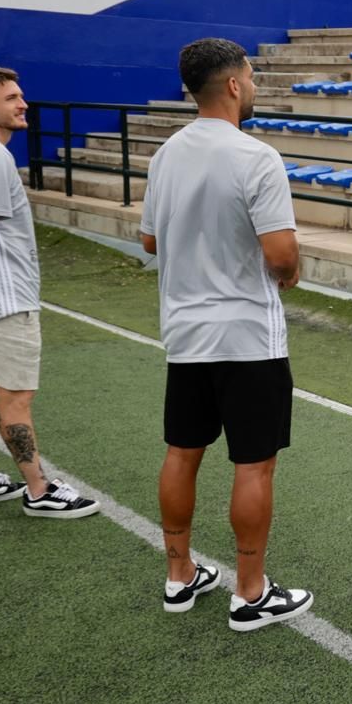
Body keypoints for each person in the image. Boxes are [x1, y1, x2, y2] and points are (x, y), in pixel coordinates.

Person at [139, 37, 313, 631]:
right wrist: (291, 271)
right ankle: (250, 590)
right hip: (246, 337)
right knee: (253, 464)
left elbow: (150, 242)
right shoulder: (255, 156)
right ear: (234, 85)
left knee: (182, 452)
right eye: (252, 76)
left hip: (185, 333)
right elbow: (281, 252)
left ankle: (179, 573)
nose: (256, 85)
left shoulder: (166, 156)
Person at [0, 66, 99, 520]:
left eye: (20, 95)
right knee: (16, 399)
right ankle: (39, 489)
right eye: (11, 98)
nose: (22, 103)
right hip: (3, 301)